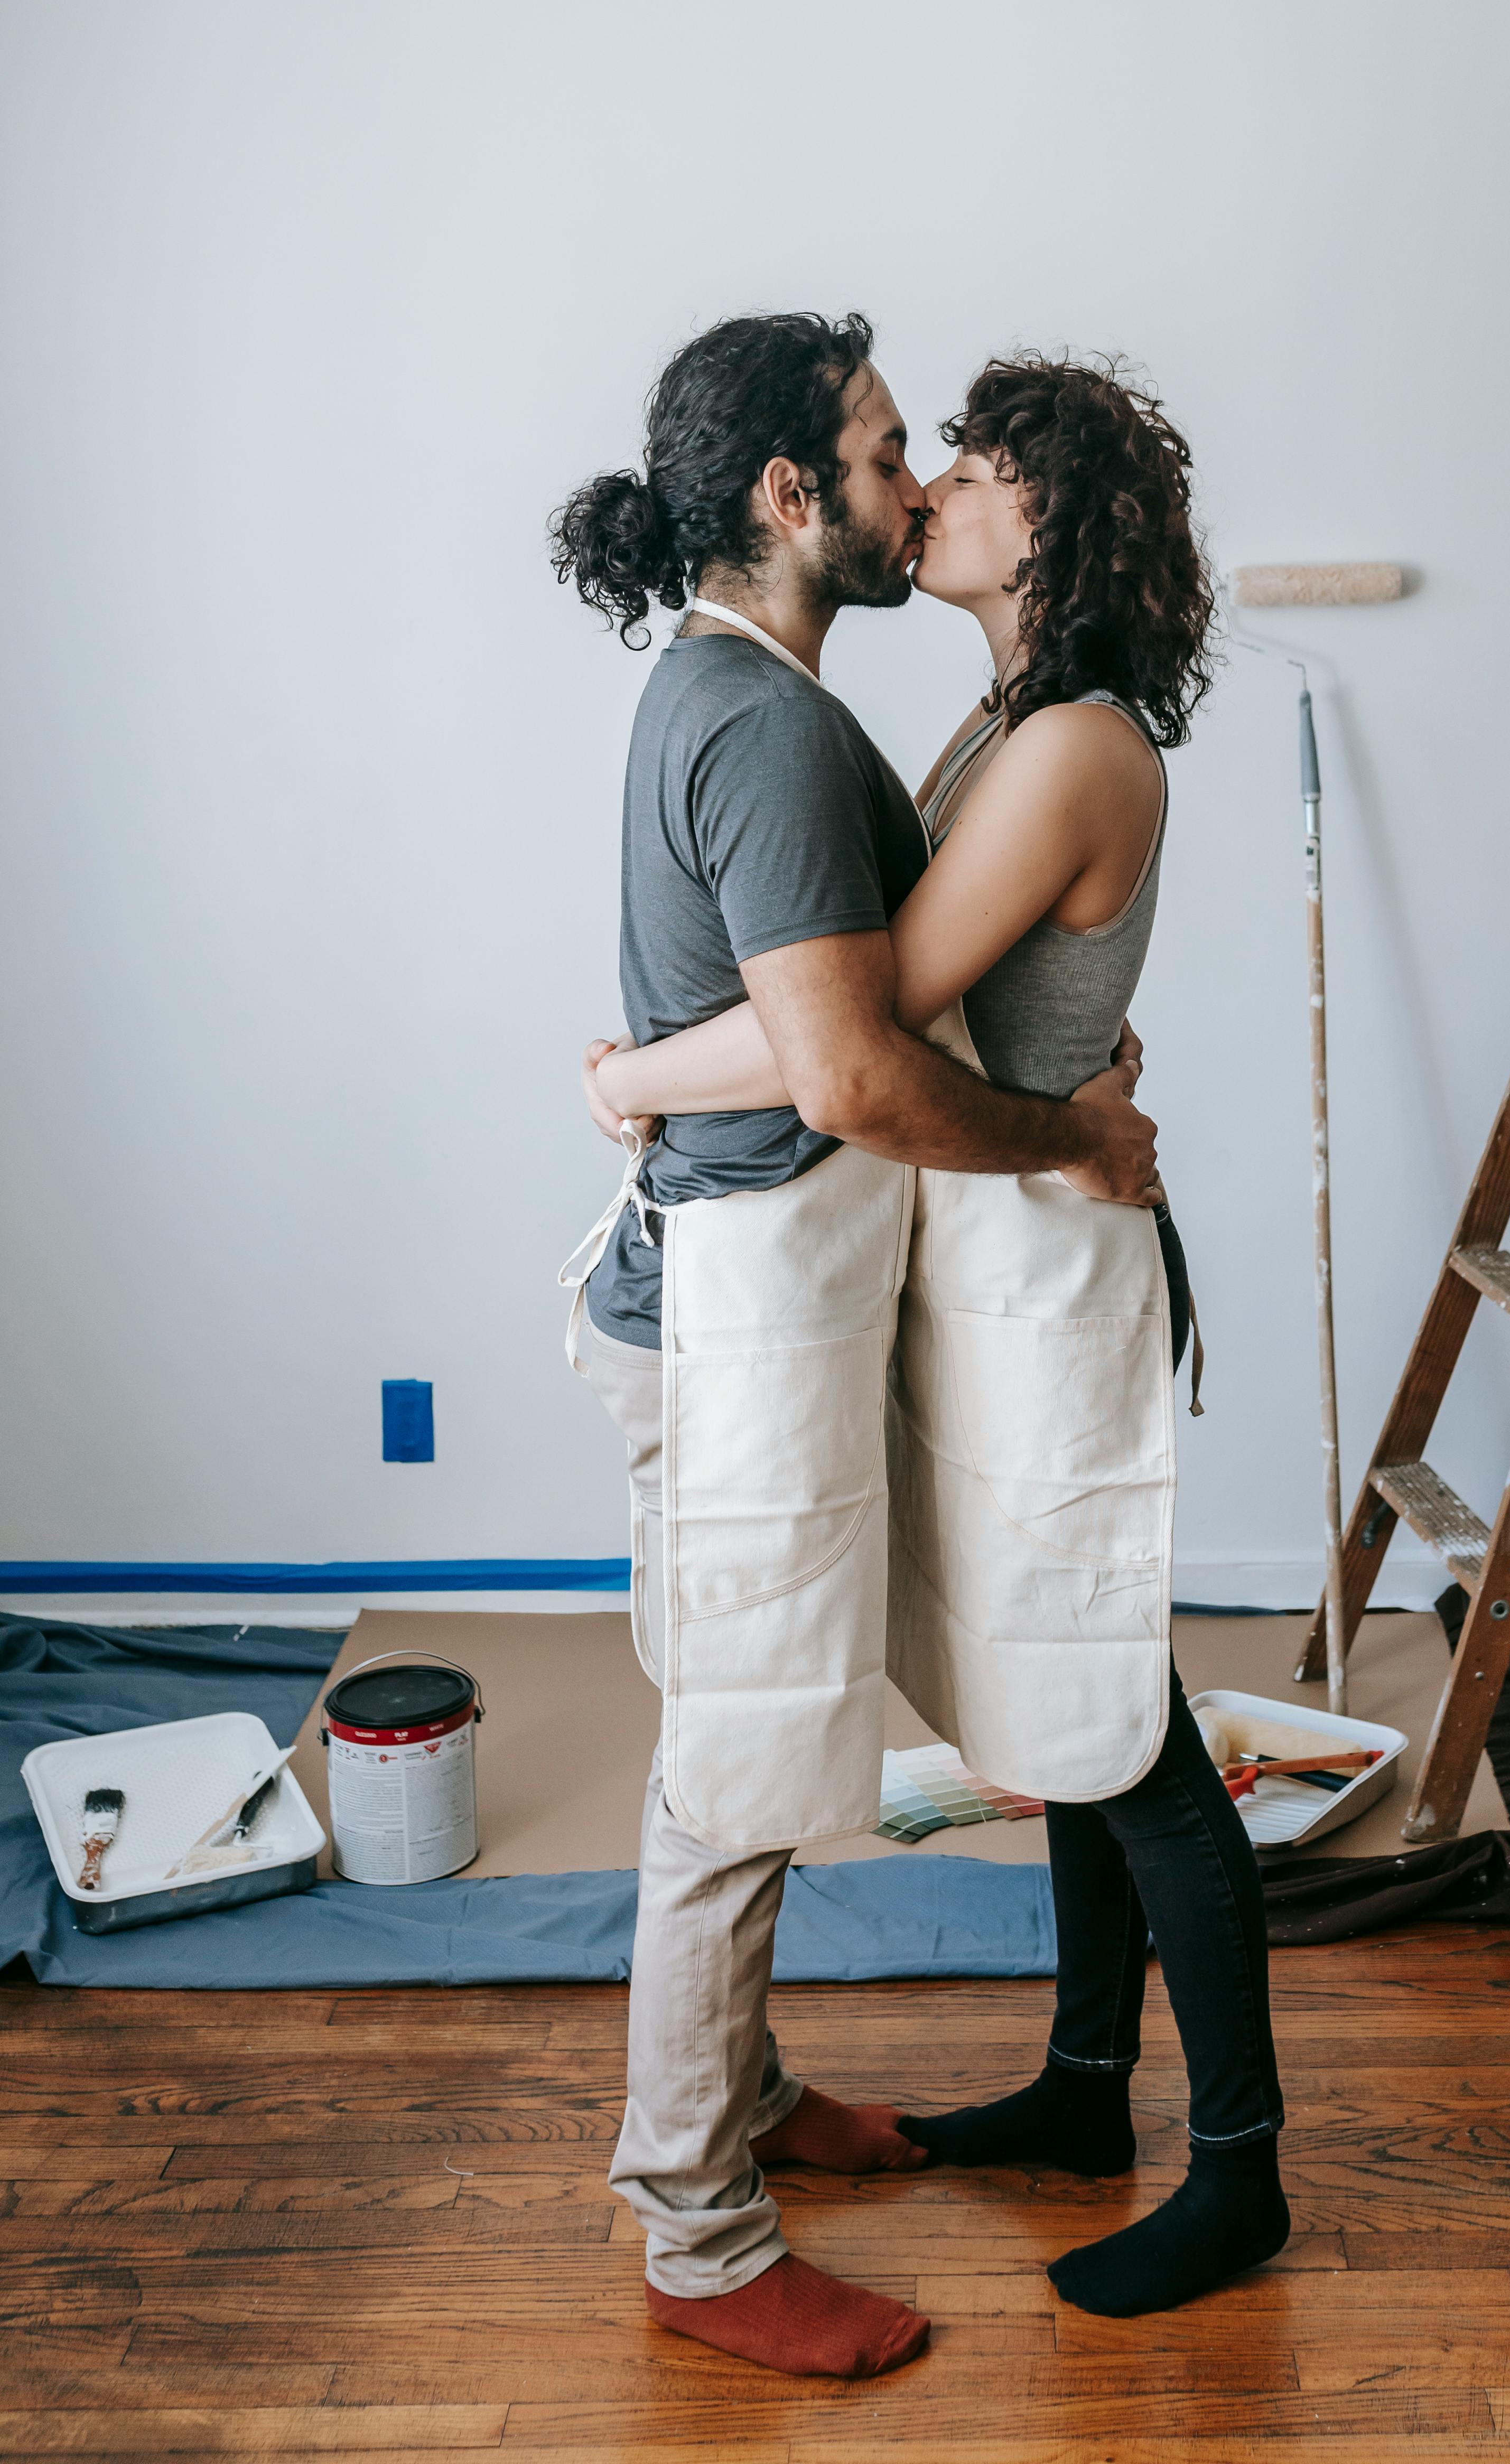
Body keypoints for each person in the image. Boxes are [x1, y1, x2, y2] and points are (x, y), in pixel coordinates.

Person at [591, 351, 1290, 2325]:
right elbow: (890, 1002)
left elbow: (867, 1015)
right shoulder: (1000, 712)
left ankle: (1239, 2171)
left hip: (1054, 1261)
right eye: (922, 458)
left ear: (1049, 528)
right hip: (999, 1241)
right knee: (1053, 1697)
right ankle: (1085, 2095)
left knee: (1118, 1715)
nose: (936, 492)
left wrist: (634, 1071)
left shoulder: (1074, 741)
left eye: (968, 469)